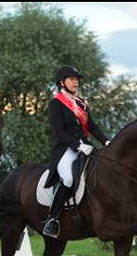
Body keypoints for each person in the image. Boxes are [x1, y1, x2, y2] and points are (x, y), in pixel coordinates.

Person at [42, 66, 110, 238]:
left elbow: (92, 126)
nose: (75, 82)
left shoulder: (81, 103)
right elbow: (59, 131)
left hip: (86, 147)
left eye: (76, 79)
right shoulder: (56, 103)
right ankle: (52, 219)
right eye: (71, 79)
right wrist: (77, 146)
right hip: (66, 149)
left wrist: (108, 142)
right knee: (68, 178)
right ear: (61, 83)